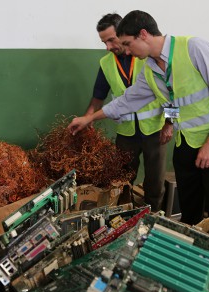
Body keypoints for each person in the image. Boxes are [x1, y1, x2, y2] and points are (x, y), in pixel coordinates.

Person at [68, 10, 209, 225]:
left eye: (127, 44)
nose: (127, 51)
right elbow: (128, 101)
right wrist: (89, 118)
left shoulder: (193, 48)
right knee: (189, 209)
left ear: (143, 34)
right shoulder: (150, 69)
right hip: (185, 143)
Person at [71, 13, 171, 212]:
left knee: (154, 181)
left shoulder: (147, 57)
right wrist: (87, 118)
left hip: (155, 130)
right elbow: (98, 97)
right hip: (126, 133)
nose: (108, 47)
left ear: (124, 33)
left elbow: (171, 93)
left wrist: (169, 124)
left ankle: (153, 217)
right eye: (104, 42)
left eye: (111, 40)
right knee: (122, 180)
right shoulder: (106, 63)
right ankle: (125, 216)